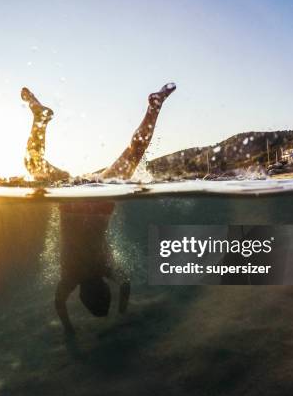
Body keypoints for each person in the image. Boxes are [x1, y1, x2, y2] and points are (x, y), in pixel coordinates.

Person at [21, 83, 176, 334]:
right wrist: (68, 326)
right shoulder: (71, 278)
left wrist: (122, 307)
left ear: (105, 287)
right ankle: (40, 118)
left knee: (135, 151)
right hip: (71, 202)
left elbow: (125, 285)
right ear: (81, 296)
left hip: (100, 204)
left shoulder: (105, 269)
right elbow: (59, 303)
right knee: (32, 163)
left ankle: (154, 107)